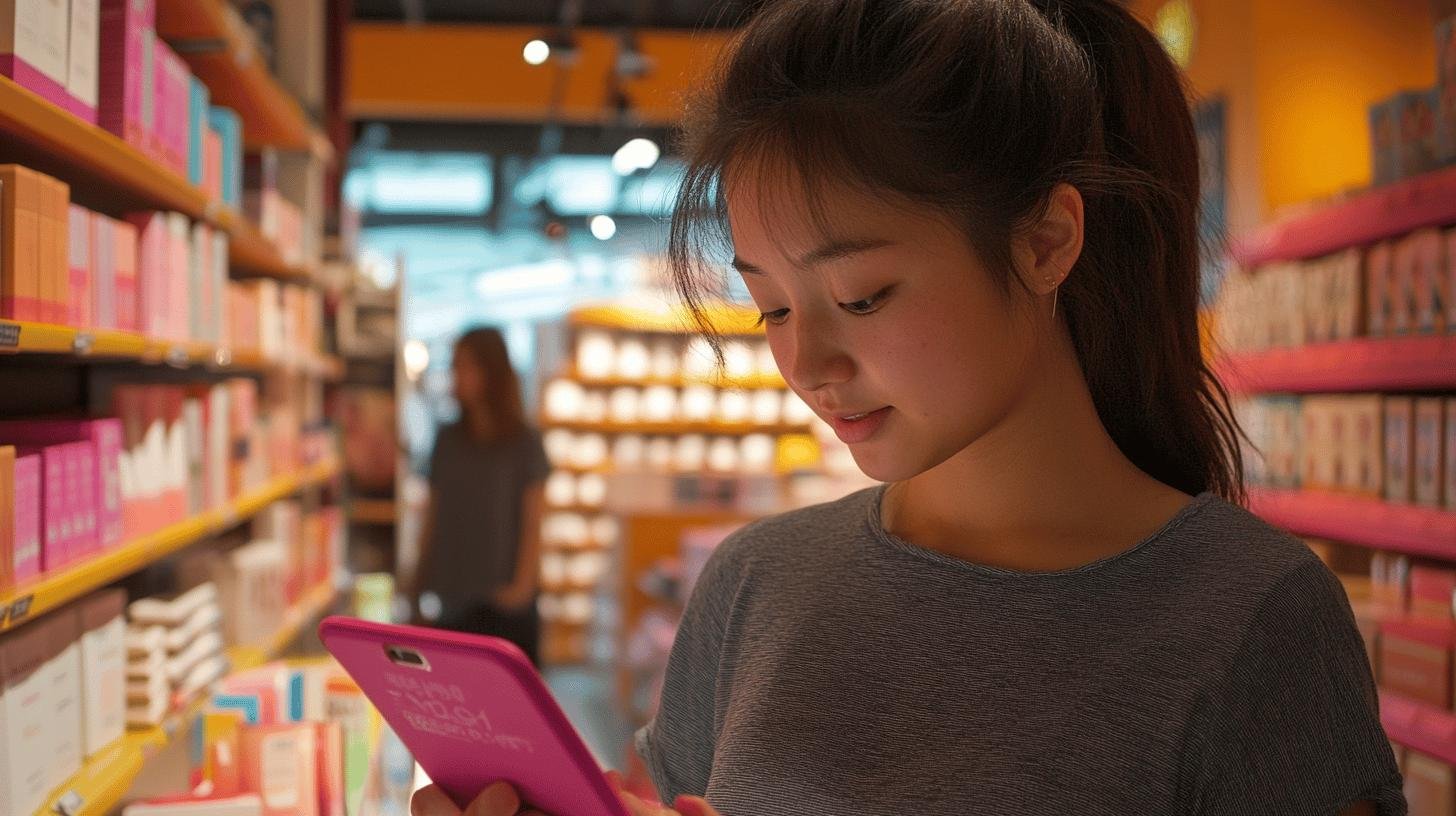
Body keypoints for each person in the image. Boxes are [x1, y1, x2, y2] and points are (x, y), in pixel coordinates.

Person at [413, 1, 1403, 814]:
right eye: (768, 307)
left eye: (861, 298)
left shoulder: (1251, 620)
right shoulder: (754, 586)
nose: (807, 362)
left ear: (1045, 241)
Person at [413, 327, 550, 666]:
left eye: (464, 366)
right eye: (454, 366)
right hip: (453, 599)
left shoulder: (524, 441)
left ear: (491, 371)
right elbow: (433, 515)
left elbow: (534, 521)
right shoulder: (447, 438)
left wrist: (520, 587)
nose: (454, 376)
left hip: (506, 603)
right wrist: (416, 585)